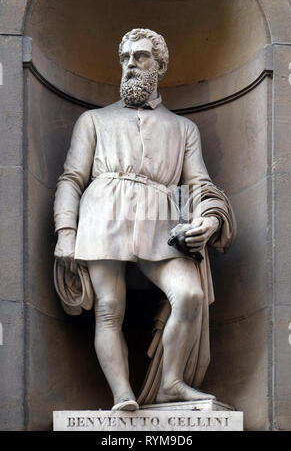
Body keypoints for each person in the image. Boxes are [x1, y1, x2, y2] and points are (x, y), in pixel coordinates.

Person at [53, 28, 236, 411]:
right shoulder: (94, 120)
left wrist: (208, 220)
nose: (130, 65)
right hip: (104, 210)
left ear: (160, 65)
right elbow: (71, 178)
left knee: (190, 294)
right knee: (108, 307)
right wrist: (65, 231)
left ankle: (171, 382)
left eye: (140, 57)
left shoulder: (184, 128)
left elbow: (199, 183)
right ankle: (122, 394)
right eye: (125, 58)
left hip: (161, 217)